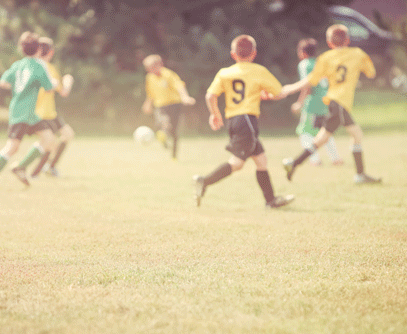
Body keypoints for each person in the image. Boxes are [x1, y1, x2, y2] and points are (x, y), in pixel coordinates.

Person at [193, 35, 294, 209]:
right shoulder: (258, 71)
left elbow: (210, 95)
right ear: (254, 54)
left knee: (261, 160)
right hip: (247, 120)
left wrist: (214, 114)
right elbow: (278, 93)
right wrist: (273, 93)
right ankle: (204, 181)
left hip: (234, 120)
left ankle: (270, 201)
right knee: (237, 163)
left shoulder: (225, 73)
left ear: (233, 55)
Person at [274, 24, 381, 184]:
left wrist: (289, 89)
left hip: (333, 102)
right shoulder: (357, 54)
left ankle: (293, 163)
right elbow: (371, 73)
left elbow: (309, 81)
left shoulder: (325, 58)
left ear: (330, 43)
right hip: (340, 103)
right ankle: (360, 175)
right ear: (348, 40)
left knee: (322, 138)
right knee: (356, 135)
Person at [0, 32, 56, 190]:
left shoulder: (18, 65)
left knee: (48, 139)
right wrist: (55, 82)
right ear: (39, 49)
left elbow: (3, 82)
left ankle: (21, 167)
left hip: (25, 112)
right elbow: (49, 88)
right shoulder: (39, 66)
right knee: (12, 147)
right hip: (23, 113)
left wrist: (19, 87)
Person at [291, 38, 343, 167]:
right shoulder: (320, 62)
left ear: (302, 52)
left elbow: (307, 86)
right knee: (324, 131)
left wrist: (299, 103)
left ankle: (315, 160)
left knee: (304, 132)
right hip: (325, 101)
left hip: (313, 103)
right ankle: (335, 158)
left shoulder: (304, 64)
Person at [30, 37, 75, 178]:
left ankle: (49, 166)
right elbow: (64, 92)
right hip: (41, 113)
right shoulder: (47, 68)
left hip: (49, 113)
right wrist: (68, 80)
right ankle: (35, 171)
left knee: (67, 134)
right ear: (51, 52)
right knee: (49, 142)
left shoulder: (33, 66)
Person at [141, 54, 195, 160]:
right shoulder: (149, 77)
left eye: (151, 67)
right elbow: (150, 93)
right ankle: (163, 136)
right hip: (160, 106)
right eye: (148, 68)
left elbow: (179, 86)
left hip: (174, 105)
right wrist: (147, 104)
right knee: (163, 122)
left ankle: (173, 155)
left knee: (174, 132)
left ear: (160, 64)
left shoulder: (168, 74)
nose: (149, 70)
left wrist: (185, 97)